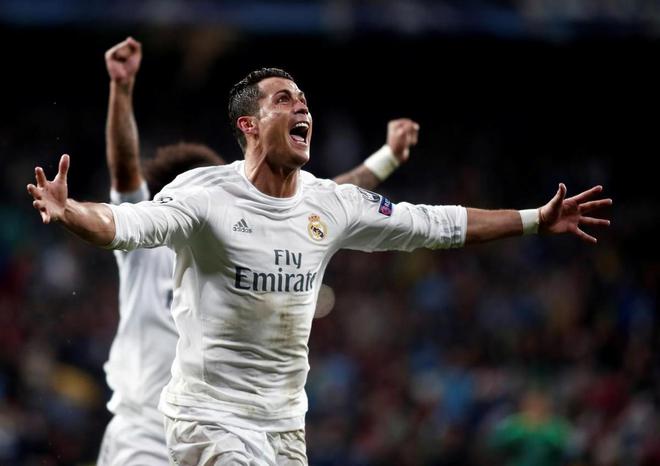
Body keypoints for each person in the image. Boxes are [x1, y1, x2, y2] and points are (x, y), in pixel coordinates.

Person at [28, 67, 611, 465]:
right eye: (283, 99)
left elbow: (434, 223)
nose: (301, 105)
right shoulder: (204, 197)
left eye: (303, 99)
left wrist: (534, 218)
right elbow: (125, 223)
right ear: (248, 126)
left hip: (284, 425)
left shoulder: (328, 204)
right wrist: (70, 209)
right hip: (207, 419)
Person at [98, 38, 420, 465]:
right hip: (146, 436)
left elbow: (331, 202)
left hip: (221, 425)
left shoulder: (236, 234)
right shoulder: (147, 247)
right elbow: (124, 173)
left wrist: (387, 158)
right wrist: (121, 89)